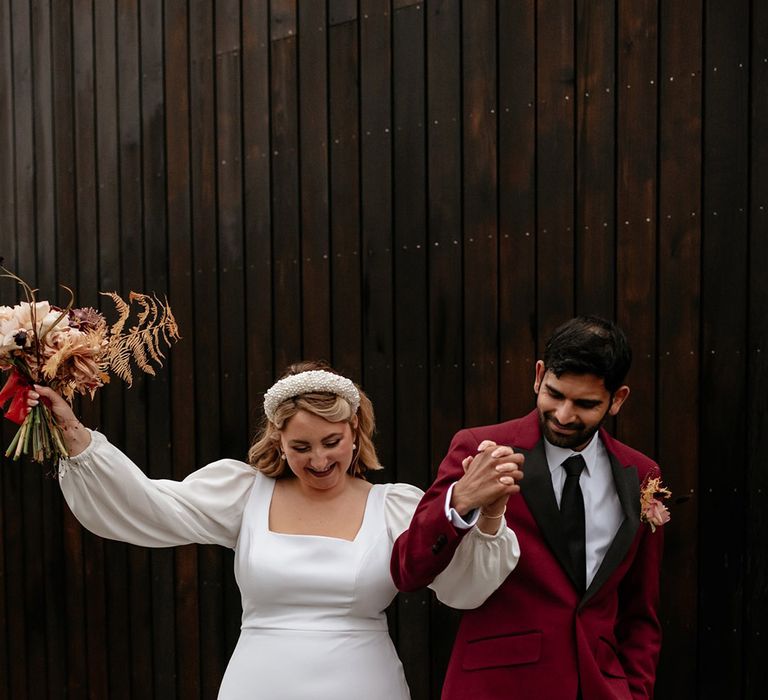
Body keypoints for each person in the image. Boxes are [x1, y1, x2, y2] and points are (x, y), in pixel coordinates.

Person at [27, 360, 522, 700]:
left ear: (356, 433)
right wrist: (74, 433)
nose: (320, 459)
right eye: (301, 446)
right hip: (258, 682)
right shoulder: (244, 493)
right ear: (278, 440)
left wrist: (491, 515)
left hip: (362, 682)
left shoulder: (395, 507)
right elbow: (150, 505)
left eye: (332, 441)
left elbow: (464, 589)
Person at [391, 316, 665, 700]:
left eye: (585, 404)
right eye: (555, 394)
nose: (565, 415)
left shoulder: (641, 474)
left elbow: (641, 612)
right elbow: (408, 570)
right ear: (539, 376)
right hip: (498, 686)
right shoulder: (479, 448)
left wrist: (634, 693)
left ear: (617, 399)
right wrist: (461, 499)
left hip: (602, 687)